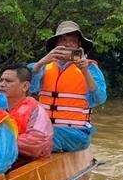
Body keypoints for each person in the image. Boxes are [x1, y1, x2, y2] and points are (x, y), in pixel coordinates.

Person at [29, 20, 107, 152]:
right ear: (56, 45)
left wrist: (85, 72)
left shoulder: (90, 68)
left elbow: (99, 99)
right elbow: (28, 88)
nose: (68, 44)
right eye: (63, 39)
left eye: (73, 40)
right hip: (43, 129)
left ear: (78, 46)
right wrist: (40, 63)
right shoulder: (42, 66)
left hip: (76, 133)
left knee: (45, 135)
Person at [0, 64, 53, 160]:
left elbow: (36, 143)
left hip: (27, 162)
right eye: (1, 80)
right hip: (0, 160)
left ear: (25, 86)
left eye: (8, 81)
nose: (2, 84)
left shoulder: (36, 109)